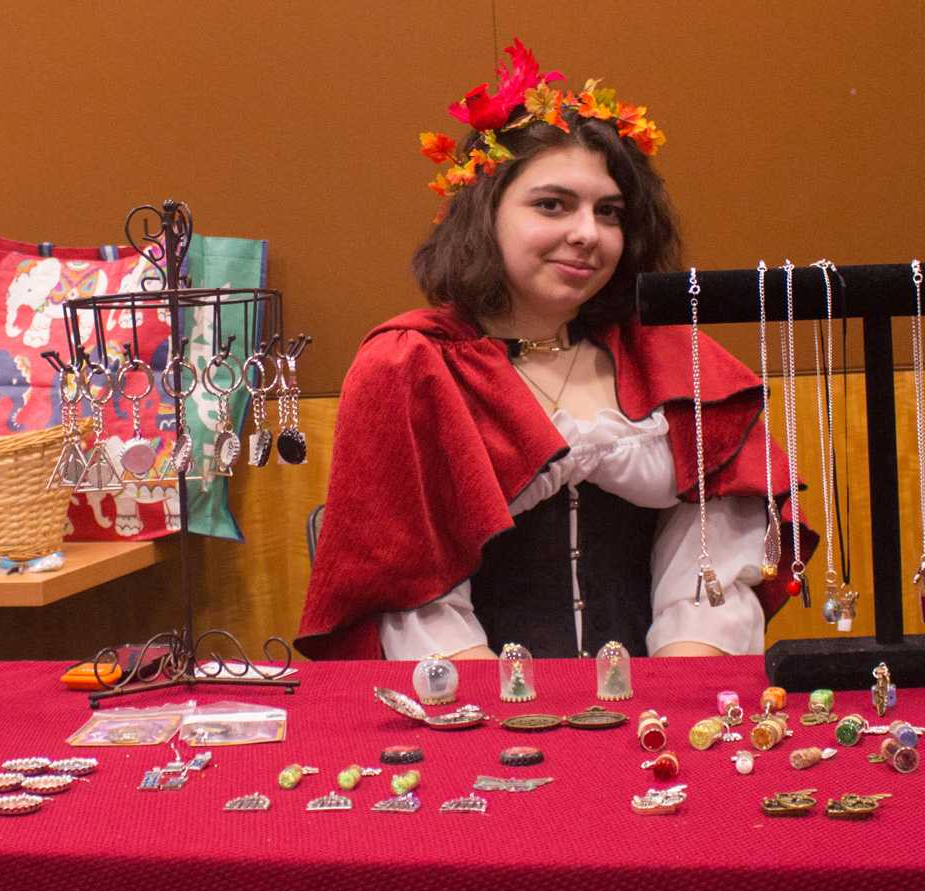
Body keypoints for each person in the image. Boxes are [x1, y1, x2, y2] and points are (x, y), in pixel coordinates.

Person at [297, 40, 810, 662]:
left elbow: (713, 576)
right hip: (477, 713)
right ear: (484, 216)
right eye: (551, 205)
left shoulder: (673, 363)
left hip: (656, 714)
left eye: (610, 212)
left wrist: (665, 717)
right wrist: (511, 727)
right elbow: (411, 593)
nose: (587, 234)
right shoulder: (410, 366)